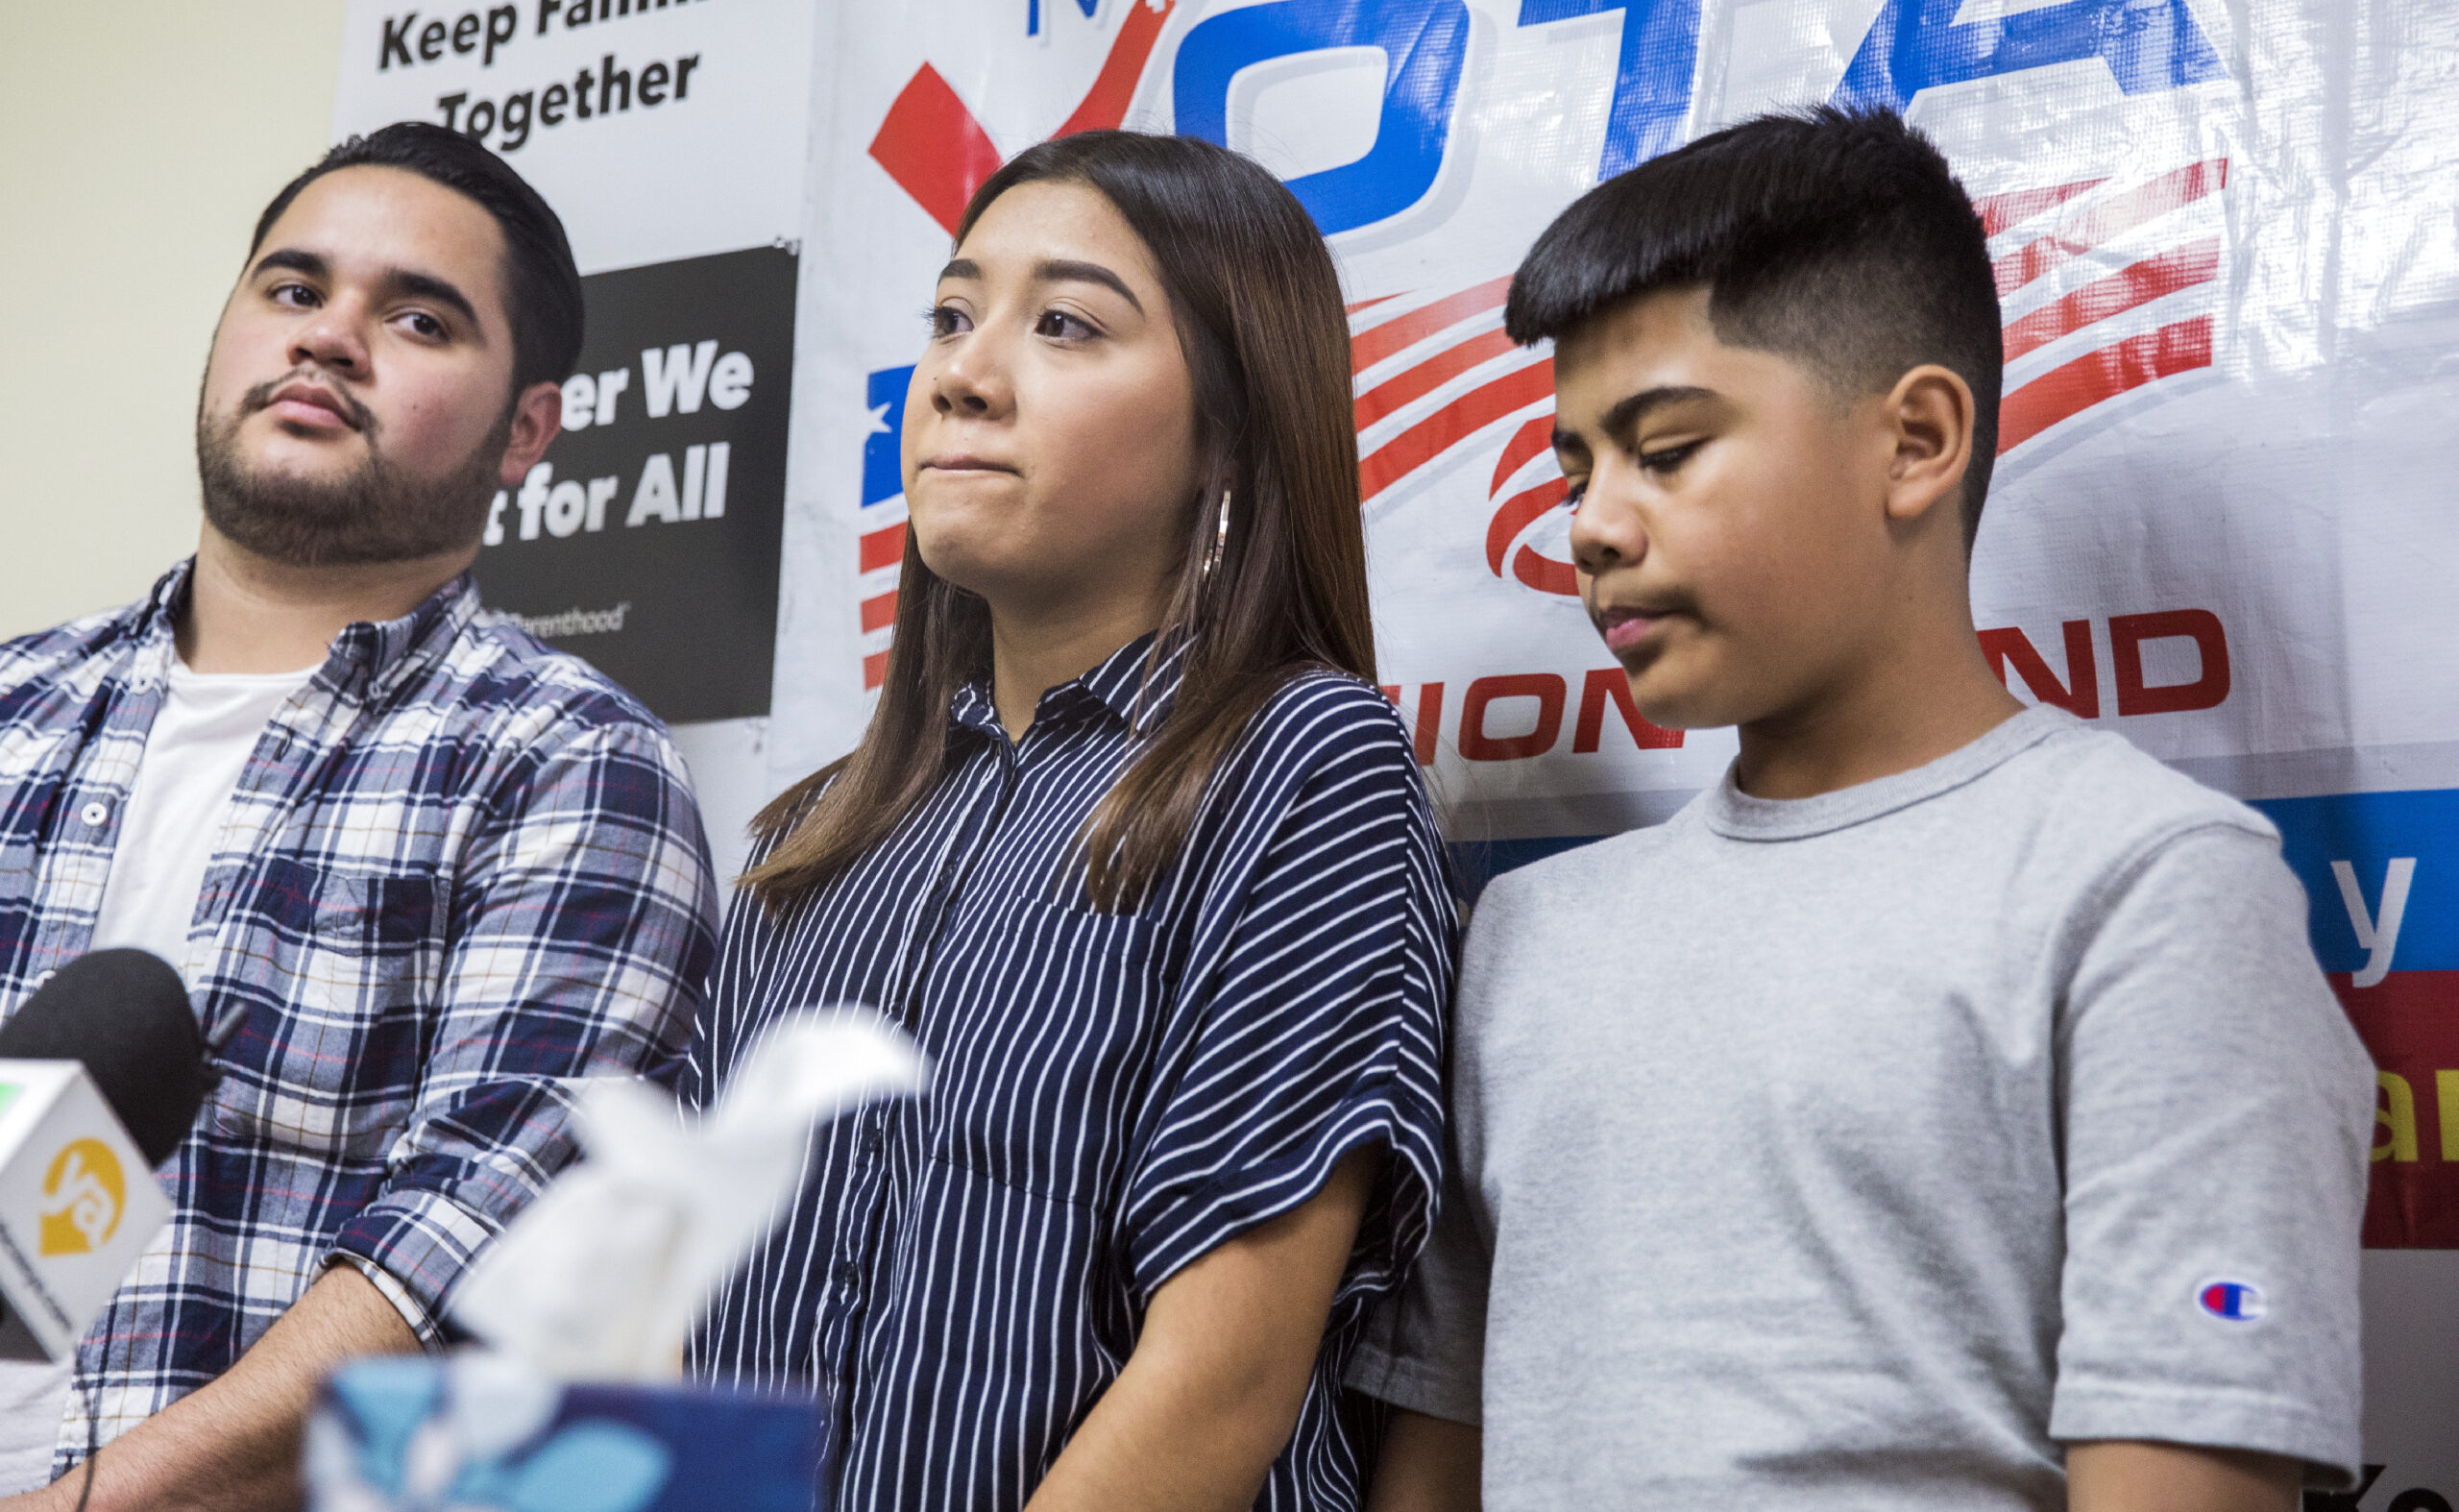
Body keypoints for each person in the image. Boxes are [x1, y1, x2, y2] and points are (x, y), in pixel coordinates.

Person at [1351, 107, 2372, 1512]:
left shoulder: (2151, 888)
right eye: (1576, 468)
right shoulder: (1524, 937)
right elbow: (1443, 1458)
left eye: (1667, 447)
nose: (1591, 524)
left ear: (1917, 440)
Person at [688, 130, 1455, 1511]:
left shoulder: (1301, 763)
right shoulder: (811, 840)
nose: (963, 376)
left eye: (1061, 323)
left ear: (1230, 424)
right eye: (949, 314)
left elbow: (1220, 1381)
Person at [0, 123, 721, 1510]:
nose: (331, 338)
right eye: (293, 289)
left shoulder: (566, 761)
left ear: (527, 431)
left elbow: (462, 1271)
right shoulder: (18, 709)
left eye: (419, 317)